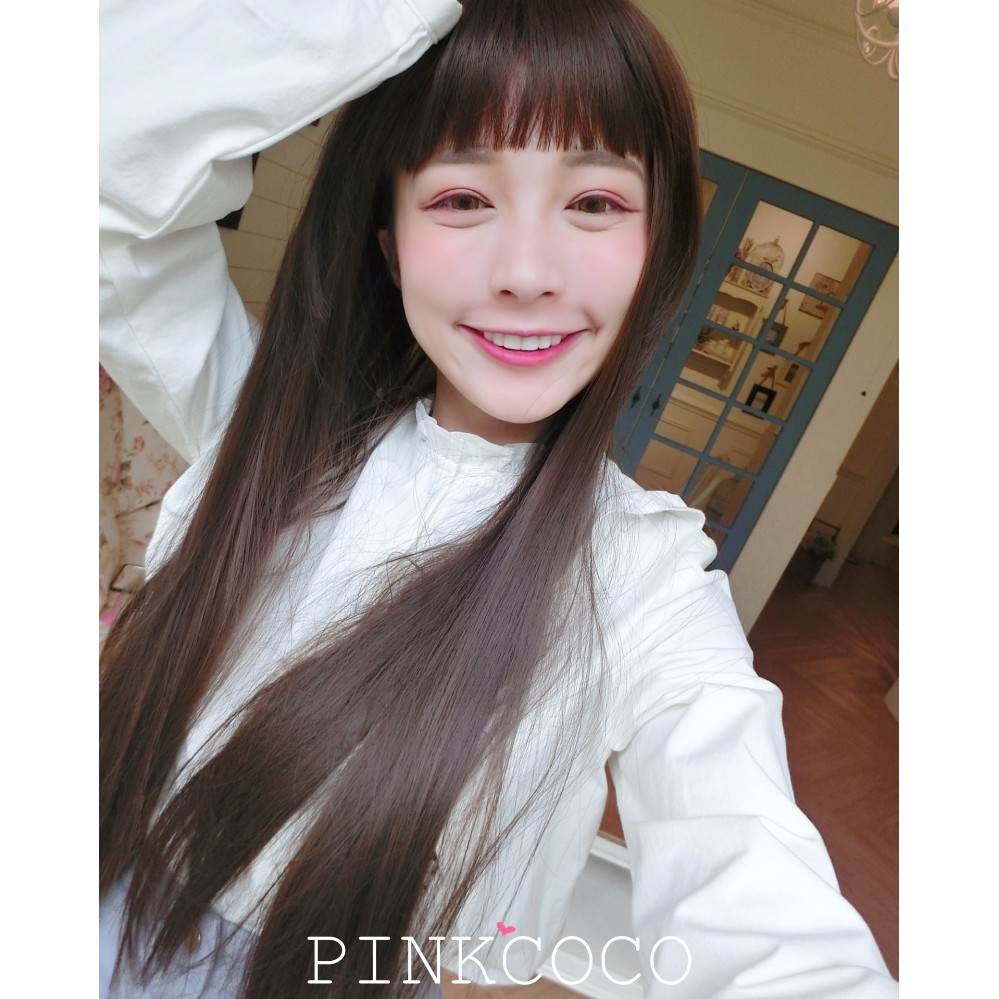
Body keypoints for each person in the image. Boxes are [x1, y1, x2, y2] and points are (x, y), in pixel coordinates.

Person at [99, 0, 898, 996]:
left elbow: (757, 891)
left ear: (656, 251)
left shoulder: (643, 576)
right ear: (388, 241)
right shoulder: (264, 434)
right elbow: (94, 160)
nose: (526, 274)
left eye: (594, 203)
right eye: (462, 198)